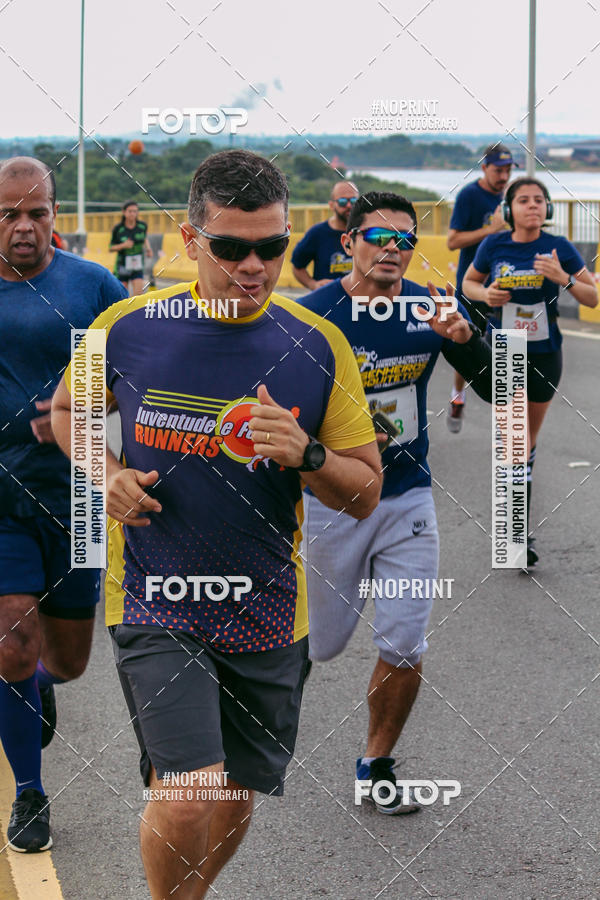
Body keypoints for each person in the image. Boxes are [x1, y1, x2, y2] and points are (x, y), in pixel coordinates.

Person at [51, 150, 382, 897]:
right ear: (190, 239)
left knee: (232, 796)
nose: (254, 267)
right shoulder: (127, 327)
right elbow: (70, 412)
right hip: (152, 596)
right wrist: (105, 476)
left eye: (273, 247)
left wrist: (308, 454)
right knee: (190, 788)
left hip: (267, 609)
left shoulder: (315, 344)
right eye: (231, 247)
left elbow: (363, 492)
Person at [301, 191, 492, 814]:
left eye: (405, 240)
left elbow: (509, 389)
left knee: (405, 642)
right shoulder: (314, 318)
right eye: (379, 238)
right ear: (348, 243)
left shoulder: (430, 309)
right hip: (332, 505)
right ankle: (255, 719)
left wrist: (464, 341)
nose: (392, 250)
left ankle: (375, 765)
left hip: (408, 500)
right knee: (319, 645)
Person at [0, 157, 127, 852]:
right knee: (13, 644)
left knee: (68, 661)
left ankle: (37, 684)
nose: (24, 227)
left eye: (36, 212)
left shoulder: (92, 286)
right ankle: (29, 792)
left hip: (76, 497)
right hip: (0, 498)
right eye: (8, 214)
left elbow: (137, 369)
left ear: (55, 212)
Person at [462, 176, 596, 568]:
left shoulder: (558, 248)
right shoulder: (494, 244)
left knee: (526, 443)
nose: (533, 206)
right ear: (509, 210)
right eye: (524, 200)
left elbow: (592, 296)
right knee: (514, 441)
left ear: (548, 209)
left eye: (540, 200)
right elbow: (470, 282)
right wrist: (486, 294)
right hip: (507, 349)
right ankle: (514, 535)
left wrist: (564, 278)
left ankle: (513, 524)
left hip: (545, 352)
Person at [446, 143, 516, 432]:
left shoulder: (511, 196)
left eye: (509, 170)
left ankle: (508, 417)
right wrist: (492, 230)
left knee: (507, 352)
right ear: (484, 167)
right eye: (498, 170)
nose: (504, 176)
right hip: (472, 286)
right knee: (467, 347)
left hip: (504, 287)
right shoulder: (470, 195)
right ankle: (457, 396)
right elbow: (452, 241)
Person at [291, 180, 359, 289]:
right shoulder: (317, 233)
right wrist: (312, 284)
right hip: (326, 301)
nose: (349, 205)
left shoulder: (364, 232)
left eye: (354, 201)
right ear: (332, 205)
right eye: (342, 201)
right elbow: (297, 266)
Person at [109, 200, 153, 295]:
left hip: (137, 265)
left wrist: (149, 249)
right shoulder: (118, 229)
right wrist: (123, 245)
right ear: (124, 212)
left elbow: (144, 238)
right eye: (130, 211)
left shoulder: (142, 226)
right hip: (122, 266)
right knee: (122, 296)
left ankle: (137, 310)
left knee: (138, 295)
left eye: (135, 211)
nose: (133, 214)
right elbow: (111, 248)